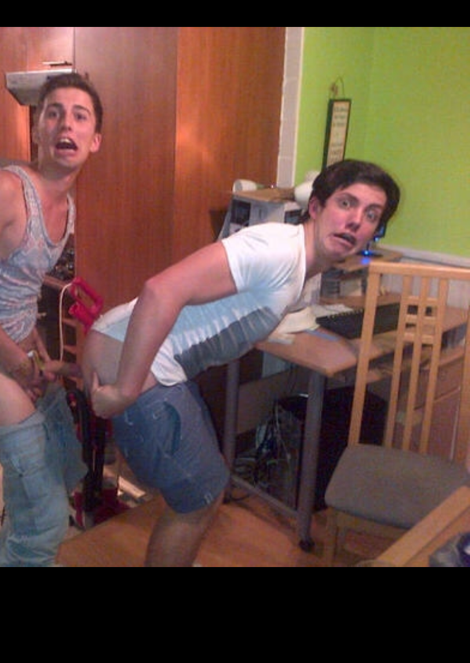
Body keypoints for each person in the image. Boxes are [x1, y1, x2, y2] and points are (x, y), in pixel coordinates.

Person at [83, 160, 401, 567]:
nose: (356, 220)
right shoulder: (277, 251)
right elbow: (160, 290)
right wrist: (125, 391)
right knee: (198, 499)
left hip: (139, 355)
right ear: (316, 207)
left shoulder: (298, 263)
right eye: (346, 203)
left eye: (371, 214)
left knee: (209, 485)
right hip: (138, 364)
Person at [0, 72, 103, 567]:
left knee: (63, 464)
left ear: (94, 140)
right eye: (54, 113)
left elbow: (19, 285)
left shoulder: (67, 207)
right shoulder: (3, 190)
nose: (65, 124)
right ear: (37, 130)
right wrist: (18, 364)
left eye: (79, 115)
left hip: (13, 342)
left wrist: (37, 349)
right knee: (45, 518)